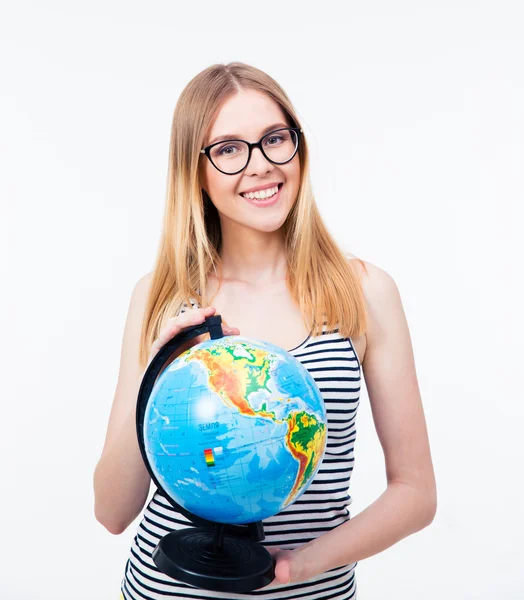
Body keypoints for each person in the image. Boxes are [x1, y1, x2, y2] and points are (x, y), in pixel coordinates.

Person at [93, 61, 437, 600]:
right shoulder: (160, 296)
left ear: (298, 147)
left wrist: (301, 565)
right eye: (228, 149)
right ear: (195, 171)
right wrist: (155, 370)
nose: (259, 165)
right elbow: (111, 512)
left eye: (275, 139)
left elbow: (416, 493)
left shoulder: (364, 292)